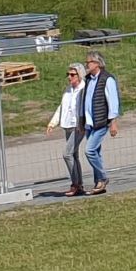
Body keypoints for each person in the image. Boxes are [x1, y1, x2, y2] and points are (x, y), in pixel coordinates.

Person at [78, 51, 120, 194]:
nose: (86, 65)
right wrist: (82, 122)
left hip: (101, 122)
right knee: (96, 152)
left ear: (97, 63)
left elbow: (113, 102)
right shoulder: (88, 79)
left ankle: (103, 177)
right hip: (90, 123)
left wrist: (113, 122)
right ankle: (99, 184)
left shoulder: (107, 79)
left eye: (88, 62)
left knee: (89, 151)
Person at [44, 62, 88, 195]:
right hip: (67, 125)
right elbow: (61, 107)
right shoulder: (68, 89)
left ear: (80, 75)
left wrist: (82, 124)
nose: (69, 77)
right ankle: (79, 184)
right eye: (68, 74)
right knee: (73, 155)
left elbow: (84, 108)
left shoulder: (83, 89)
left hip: (78, 126)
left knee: (67, 154)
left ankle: (75, 184)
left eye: (72, 74)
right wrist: (53, 123)